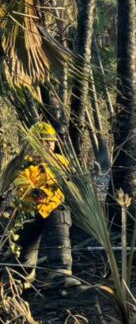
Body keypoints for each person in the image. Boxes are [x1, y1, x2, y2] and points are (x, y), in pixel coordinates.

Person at [2, 122, 80, 290]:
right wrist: (33, 191)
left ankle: (61, 273)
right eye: (41, 141)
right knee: (24, 248)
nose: (46, 145)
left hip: (53, 209)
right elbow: (19, 181)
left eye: (49, 141)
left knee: (59, 238)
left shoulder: (61, 162)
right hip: (26, 211)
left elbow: (71, 182)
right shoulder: (22, 162)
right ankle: (21, 278)